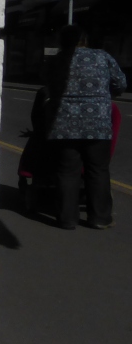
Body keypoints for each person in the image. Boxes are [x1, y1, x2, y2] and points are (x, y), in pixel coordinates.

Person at [47, 25, 127, 229]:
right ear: (84, 39)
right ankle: (100, 218)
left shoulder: (57, 60)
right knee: (97, 170)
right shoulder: (102, 56)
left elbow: (47, 84)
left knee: (67, 171)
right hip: (98, 123)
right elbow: (120, 83)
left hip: (65, 123)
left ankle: (67, 219)